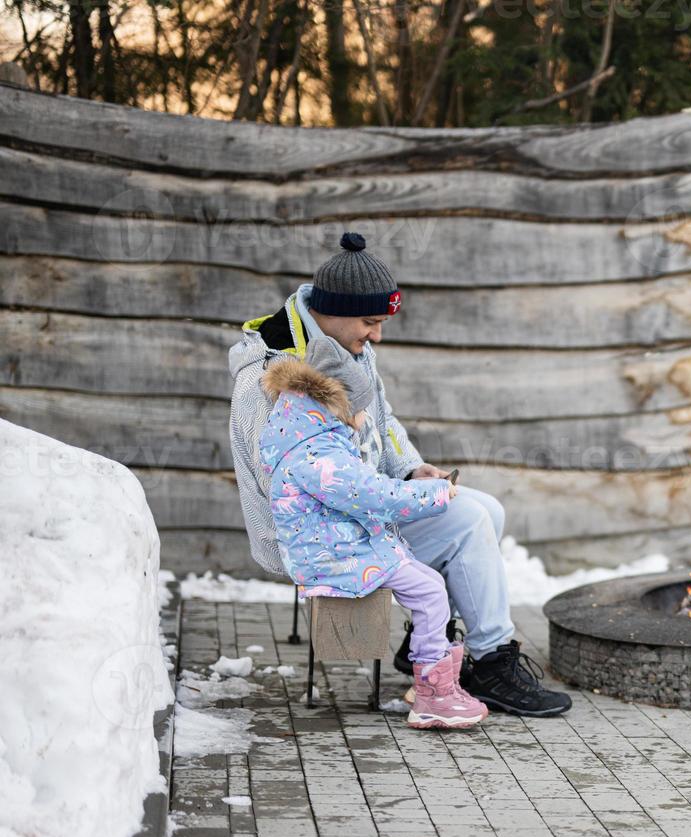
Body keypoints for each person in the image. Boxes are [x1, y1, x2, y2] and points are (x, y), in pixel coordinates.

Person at [228, 232, 572, 717]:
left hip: (362, 507)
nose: (378, 336)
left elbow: (383, 423)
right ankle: (493, 662)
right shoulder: (267, 374)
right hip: (318, 534)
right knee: (469, 520)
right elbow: (286, 486)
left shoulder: (344, 348)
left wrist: (409, 469)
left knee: (485, 509)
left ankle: (426, 645)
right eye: (371, 322)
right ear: (335, 309)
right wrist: (392, 496)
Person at [259, 338, 487, 730]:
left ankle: (433, 681)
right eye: (361, 410)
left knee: (429, 583)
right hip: (334, 557)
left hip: (338, 543)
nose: (364, 419)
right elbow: (376, 495)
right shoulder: (320, 456)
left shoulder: (299, 433)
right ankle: (434, 695)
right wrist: (434, 493)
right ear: (337, 406)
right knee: (431, 591)